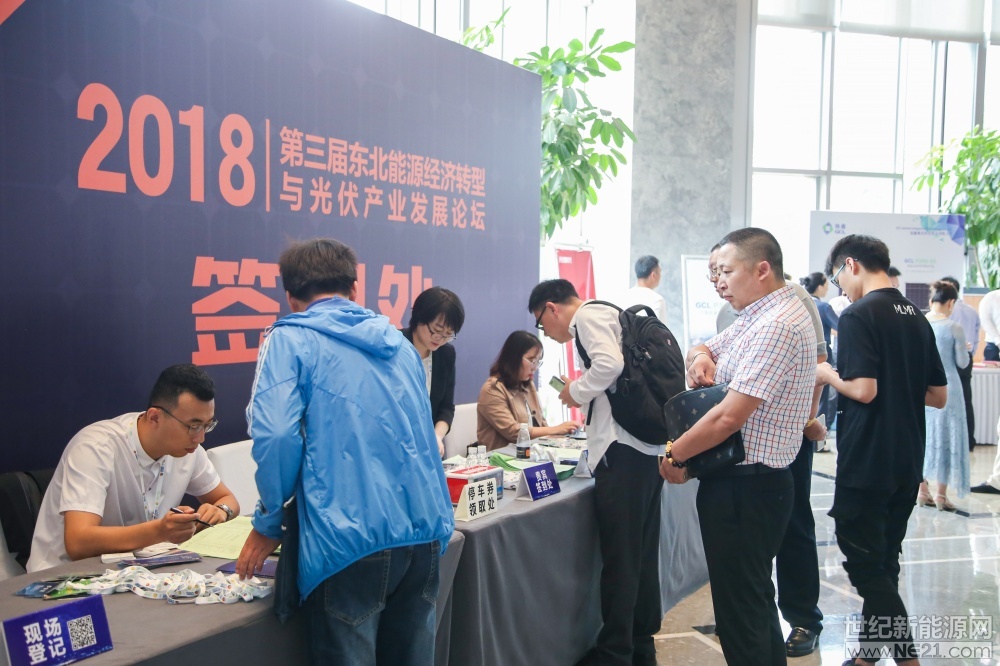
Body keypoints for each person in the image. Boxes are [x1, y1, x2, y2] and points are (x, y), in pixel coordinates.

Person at [236, 238, 453, 666]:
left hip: (348, 541)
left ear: (291, 297)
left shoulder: (289, 339)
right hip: (424, 530)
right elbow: (426, 438)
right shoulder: (401, 347)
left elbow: (276, 434)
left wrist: (269, 520)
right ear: (354, 288)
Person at [661, 228, 816, 665]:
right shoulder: (756, 315)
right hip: (745, 485)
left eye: (726, 272)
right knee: (750, 606)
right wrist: (701, 358)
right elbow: (703, 346)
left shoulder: (778, 325)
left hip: (748, 488)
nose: (719, 282)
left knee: (742, 616)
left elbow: (729, 417)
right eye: (714, 274)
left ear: (762, 269)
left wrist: (675, 454)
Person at [815, 234, 946, 666]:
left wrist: (827, 375)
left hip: (868, 458)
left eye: (839, 279)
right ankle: (867, 658)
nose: (841, 289)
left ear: (851, 265)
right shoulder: (917, 317)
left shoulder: (858, 315)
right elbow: (938, 395)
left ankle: (909, 659)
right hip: (907, 458)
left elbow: (864, 390)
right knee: (885, 563)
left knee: (866, 566)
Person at [529, 279, 663, 666]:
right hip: (645, 449)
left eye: (541, 322)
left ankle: (615, 654)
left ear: (551, 308)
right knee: (640, 556)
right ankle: (641, 646)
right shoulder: (610, 313)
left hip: (621, 453)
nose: (546, 332)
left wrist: (576, 391)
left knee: (621, 561)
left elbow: (610, 365)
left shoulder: (588, 317)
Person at [27, 364, 238, 572]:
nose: (200, 437)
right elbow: (78, 543)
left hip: (135, 571)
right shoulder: (95, 448)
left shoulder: (188, 449)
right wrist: (161, 531)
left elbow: (227, 500)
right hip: (63, 577)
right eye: (193, 426)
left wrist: (221, 511)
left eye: (207, 425)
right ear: (154, 417)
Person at [476, 330, 578, 451]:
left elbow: (542, 424)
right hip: (502, 458)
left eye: (538, 362)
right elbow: (513, 432)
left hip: (532, 454)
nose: (534, 368)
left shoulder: (528, 385)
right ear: (513, 358)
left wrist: (561, 436)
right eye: (532, 361)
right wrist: (556, 429)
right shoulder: (492, 389)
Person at [917, 282, 970, 512]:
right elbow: (962, 362)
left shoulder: (920, 323)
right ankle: (941, 495)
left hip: (923, 388)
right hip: (949, 388)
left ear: (932, 301)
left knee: (924, 436)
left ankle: (922, 490)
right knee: (948, 436)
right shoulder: (954, 327)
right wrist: (966, 348)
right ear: (951, 302)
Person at [401, 286, 465, 458]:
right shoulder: (395, 346)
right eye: (436, 331)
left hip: (430, 449)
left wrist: (436, 436)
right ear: (419, 317)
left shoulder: (446, 353)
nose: (440, 339)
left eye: (448, 334)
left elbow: (446, 407)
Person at [941, 276, 978, 451]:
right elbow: (976, 338)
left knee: (947, 401)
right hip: (966, 358)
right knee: (966, 400)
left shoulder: (946, 312)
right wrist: (970, 352)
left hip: (949, 359)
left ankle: (950, 441)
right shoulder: (972, 311)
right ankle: (969, 440)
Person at [801, 271, 840, 439]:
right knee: (821, 399)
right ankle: (820, 435)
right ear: (820, 286)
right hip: (821, 358)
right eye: (826, 285)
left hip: (802, 359)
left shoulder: (798, 304)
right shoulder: (823, 307)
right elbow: (841, 327)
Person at [624, 255, 667, 322]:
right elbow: (660, 328)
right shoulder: (657, 300)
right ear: (653, 275)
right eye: (659, 272)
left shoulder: (624, 296)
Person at [980, 288, 1000, 362]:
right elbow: (985, 321)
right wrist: (998, 340)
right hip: (993, 345)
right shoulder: (991, 297)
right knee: (991, 369)